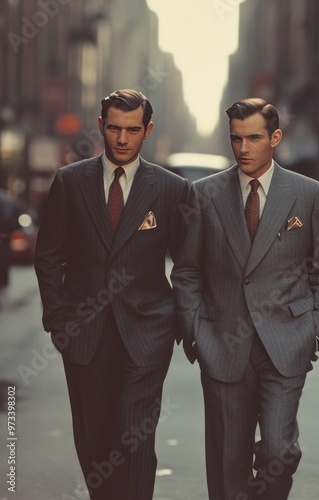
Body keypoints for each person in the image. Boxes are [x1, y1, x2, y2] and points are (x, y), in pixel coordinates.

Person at [171, 97, 319, 500]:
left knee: (280, 451)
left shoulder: (309, 193)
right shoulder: (204, 194)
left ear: (275, 138)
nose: (244, 148)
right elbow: (186, 270)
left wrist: (314, 330)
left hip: (286, 343)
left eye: (254, 138)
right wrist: (197, 332)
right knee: (228, 465)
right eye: (236, 139)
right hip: (222, 343)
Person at [34, 89, 189, 500]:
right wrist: (58, 321)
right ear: (101, 126)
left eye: (132, 130)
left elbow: (188, 264)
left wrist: (175, 322)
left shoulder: (171, 189)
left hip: (147, 335)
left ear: (148, 131)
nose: (122, 139)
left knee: (136, 442)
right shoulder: (70, 181)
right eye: (114, 128)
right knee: (94, 440)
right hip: (84, 334)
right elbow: (48, 256)